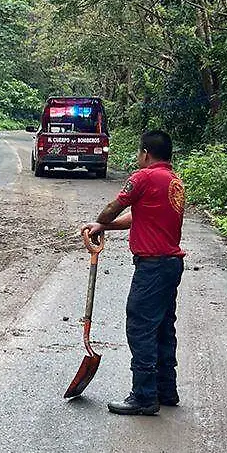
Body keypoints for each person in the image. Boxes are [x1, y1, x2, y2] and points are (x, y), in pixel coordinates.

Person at [81, 130, 186, 416]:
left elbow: (115, 207)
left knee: (140, 327)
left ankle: (143, 396)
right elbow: (136, 218)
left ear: (145, 153)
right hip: (170, 265)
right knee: (163, 327)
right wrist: (106, 227)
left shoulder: (143, 177)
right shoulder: (173, 181)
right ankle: (166, 389)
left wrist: (98, 221)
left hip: (152, 266)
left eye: (139, 154)